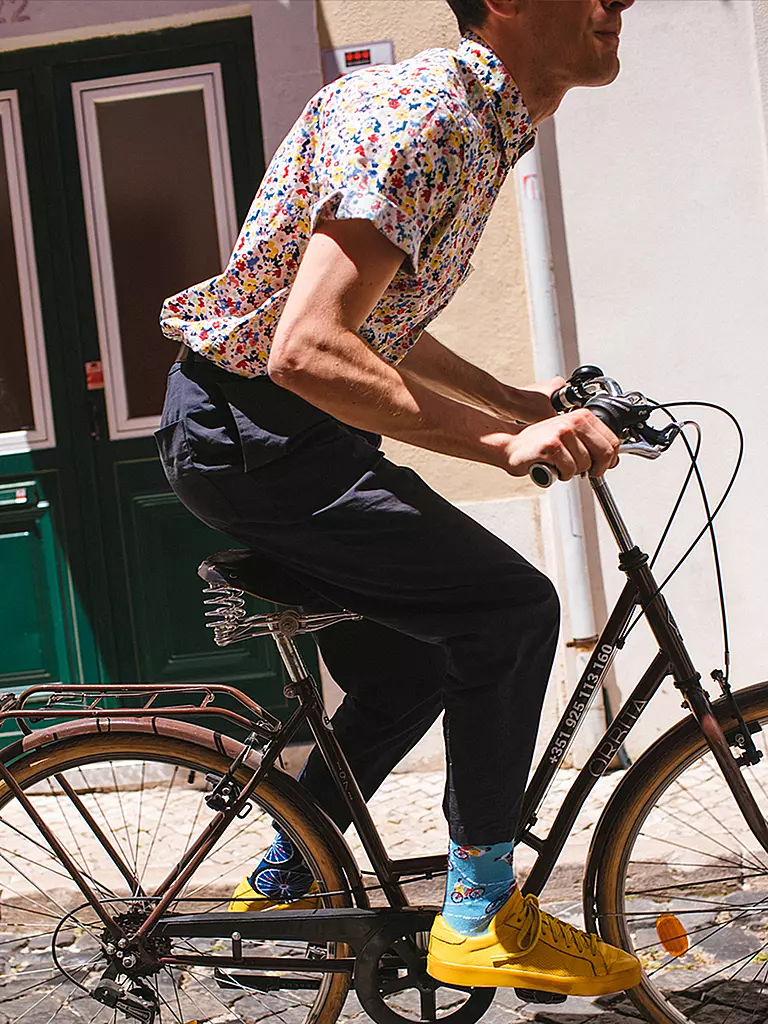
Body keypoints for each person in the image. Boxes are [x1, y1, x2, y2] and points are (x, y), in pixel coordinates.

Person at [157, 0, 638, 997]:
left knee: (411, 666)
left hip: (261, 431)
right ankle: (479, 910)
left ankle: (288, 877)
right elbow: (309, 348)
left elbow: (376, 319)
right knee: (510, 607)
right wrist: (508, 440)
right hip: (261, 434)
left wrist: (511, 398)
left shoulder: (468, 116)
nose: (621, 1)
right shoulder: (431, 115)